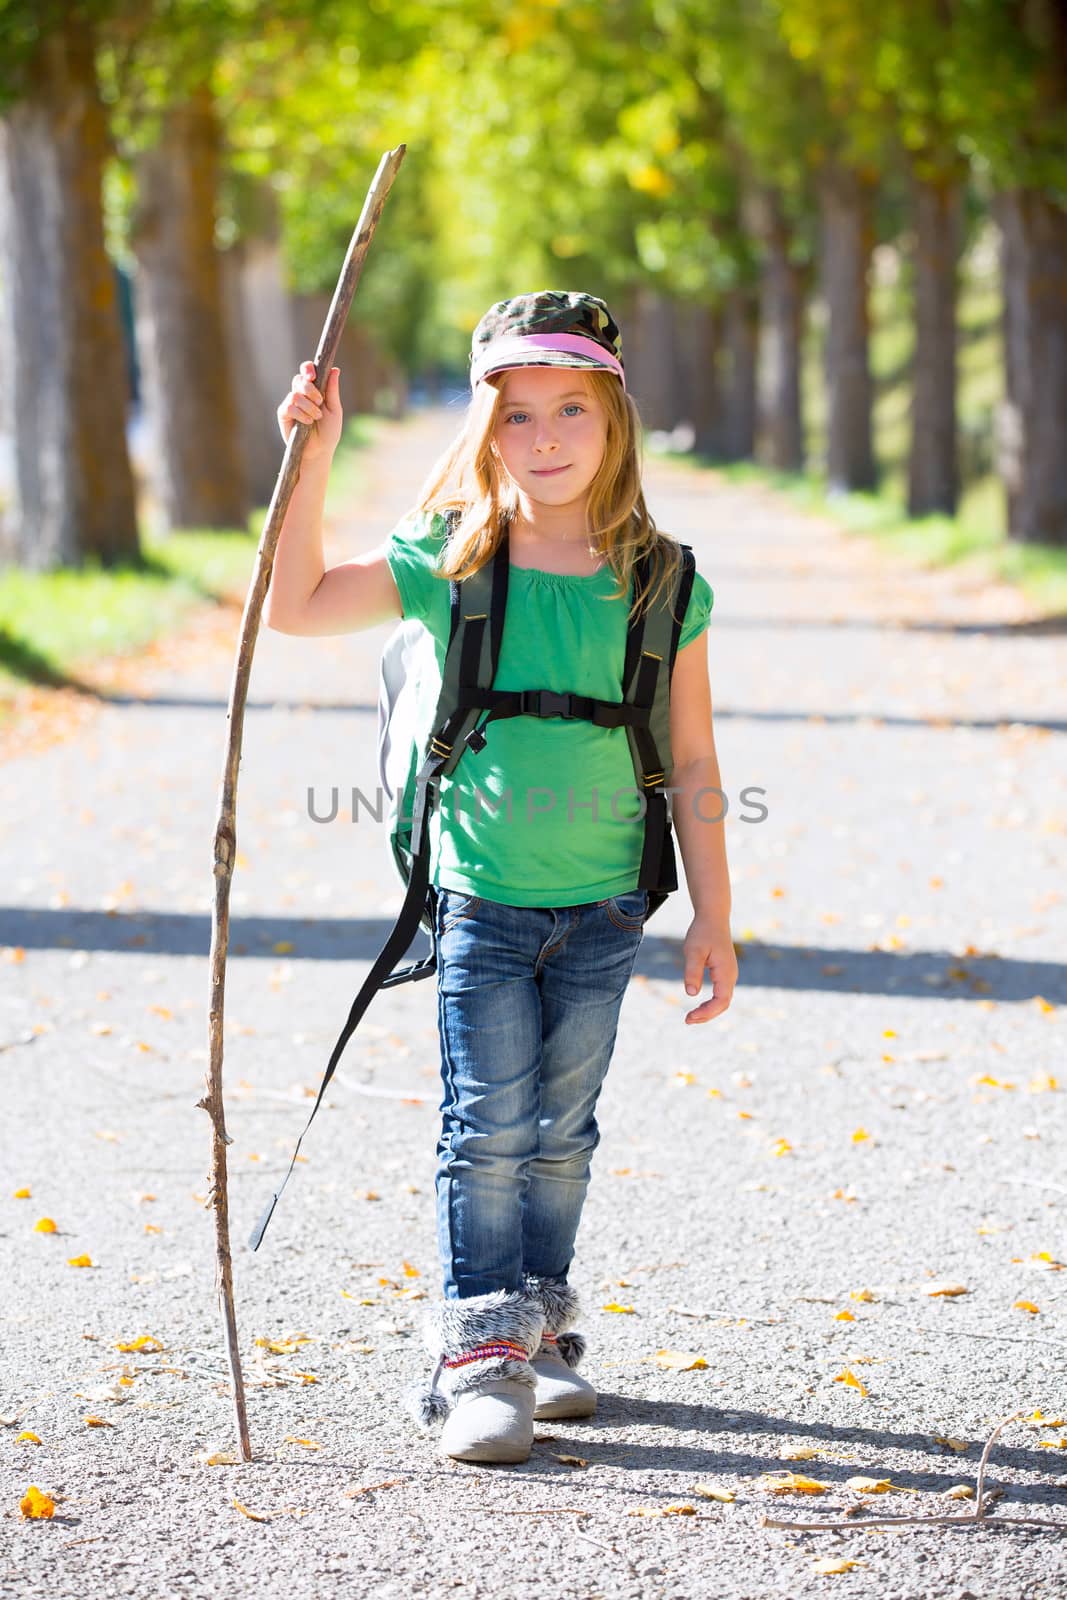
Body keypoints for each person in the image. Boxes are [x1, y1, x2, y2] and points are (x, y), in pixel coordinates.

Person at [267, 290, 737, 1465]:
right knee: (483, 1128)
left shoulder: (663, 582)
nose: (545, 436)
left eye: (569, 406)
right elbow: (296, 606)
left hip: (604, 908)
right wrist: (310, 461)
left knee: (562, 1131)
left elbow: (691, 758)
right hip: (478, 898)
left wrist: (714, 917)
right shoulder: (450, 557)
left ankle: (533, 1330)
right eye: (517, 413)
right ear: (484, 431)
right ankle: (475, 1355)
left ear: (614, 419)